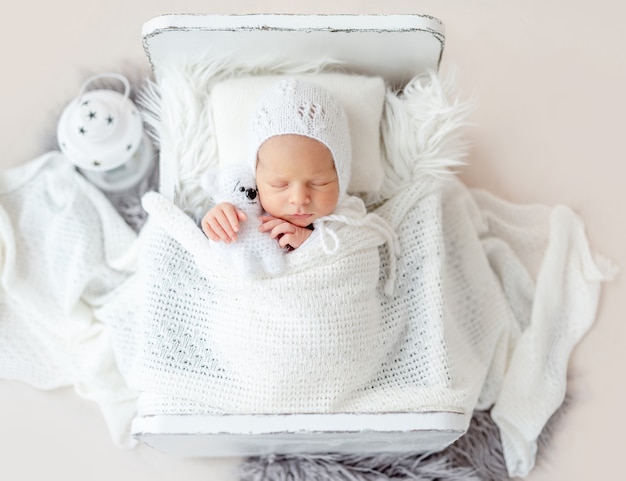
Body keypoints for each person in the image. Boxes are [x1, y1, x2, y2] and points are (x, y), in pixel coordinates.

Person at [201, 77, 351, 251]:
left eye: (318, 183)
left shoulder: (349, 223)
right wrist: (216, 225)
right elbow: (220, 259)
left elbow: (360, 261)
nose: (299, 199)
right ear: (256, 178)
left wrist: (311, 244)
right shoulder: (244, 215)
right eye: (279, 185)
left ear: (341, 176)